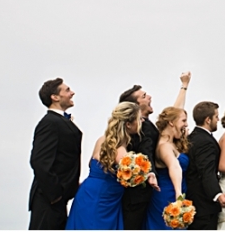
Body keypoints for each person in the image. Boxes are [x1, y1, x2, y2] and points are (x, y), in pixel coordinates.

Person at [119, 72, 193, 229]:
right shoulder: (142, 129)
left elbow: (176, 113)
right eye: (144, 96)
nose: (149, 97)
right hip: (151, 193)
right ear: (136, 106)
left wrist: (184, 86)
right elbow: (148, 152)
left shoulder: (150, 127)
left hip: (158, 190)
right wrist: (151, 173)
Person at [66, 102, 143, 229]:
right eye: (139, 119)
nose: (142, 122)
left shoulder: (102, 140)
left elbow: (91, 163)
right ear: (128, 124)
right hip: (103, 200)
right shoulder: (120, 149)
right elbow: (131, 173)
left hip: (88, 192)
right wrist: (147, 174)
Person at [29, 78, 83, 230]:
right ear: (55, 97)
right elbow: (39, 161)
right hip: (48, 200)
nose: (72, 93)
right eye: (67, 90)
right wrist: (56, 195)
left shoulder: (59, 121)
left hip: (57, 201)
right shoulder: (50, 122)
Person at [186, 101, 225, 229]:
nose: (218, 120)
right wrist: (217, 194)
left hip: (194, 200)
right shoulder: (205, 141)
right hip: (203, 204)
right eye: (216, 117)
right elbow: (207, 171)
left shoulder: (192, 137)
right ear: (208, 120)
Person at [144, 107, 191, 230]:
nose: (186, 125)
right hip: (167, 196)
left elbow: (176, 109)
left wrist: (184, 88)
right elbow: (174, 166)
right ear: (171, 122)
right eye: (183, 121)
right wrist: (179, 194)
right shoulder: (164, 146)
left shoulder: (171, 143)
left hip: (176, 191)